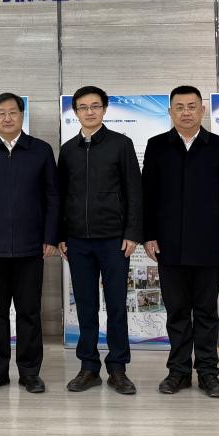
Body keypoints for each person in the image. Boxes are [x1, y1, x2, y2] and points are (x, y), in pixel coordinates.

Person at [142, 86, 219, 399]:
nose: (186, 112)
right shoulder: (157, 146)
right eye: (179, 107)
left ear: (202, 110)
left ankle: (209, 373)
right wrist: (148, 234)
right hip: (168, 244)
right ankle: (179, 371)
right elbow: (147, 194)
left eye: (192, 106)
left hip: (209, 243)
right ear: (170, 112)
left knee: (206, 312)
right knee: (177, 312)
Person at [0, 92, 59, 394]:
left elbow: (52, 197)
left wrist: (50, 237)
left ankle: (30, 373)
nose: (7, 118)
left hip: (31, 246)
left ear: (21, 115)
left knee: (30, 312)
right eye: (1, 113)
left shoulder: (40, 151)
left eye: (12, 112)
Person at [57, 86, 142, 395]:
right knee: (86, 306)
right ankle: (88, 367)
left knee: (117, 305)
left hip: (114, 240)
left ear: (105, 109)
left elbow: (134, 191)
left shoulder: (121, 144)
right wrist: (60, 235)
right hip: (78, 241)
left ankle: (118, 368)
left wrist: (132, 233)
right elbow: (60, 195)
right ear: (75, 112)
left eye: (95, 106)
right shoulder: (68, 150)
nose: (89, 111)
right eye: (83, 107)